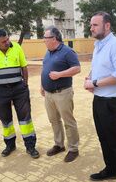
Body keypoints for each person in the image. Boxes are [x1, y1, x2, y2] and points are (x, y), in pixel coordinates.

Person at [84, 12, 116, 181]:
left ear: (107, 25)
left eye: (95, 25)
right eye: (91, 25)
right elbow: (100, 66)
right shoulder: (98, 45)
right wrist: (90, 77)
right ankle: (111, 170)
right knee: (104, 138)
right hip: (99, 100)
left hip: (112, 102)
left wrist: (95, 83)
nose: (91, 28)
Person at [0, 29, 39, 159]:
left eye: (7, 39)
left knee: (25, 118)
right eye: (3, 41)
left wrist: (25, 84)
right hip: (1, 91)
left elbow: (24, 67)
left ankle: (30, 146)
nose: (7, 42)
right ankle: (10, 145)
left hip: (19, 89)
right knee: (5, 119)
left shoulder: (17, 47)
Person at [40, 26, 81, 162]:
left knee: (68, 122)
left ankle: (73, 149)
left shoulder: (67, 52)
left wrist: (60, 75)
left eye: (45, 38)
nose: (43, 41)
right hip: (48, 94)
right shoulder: (48, 52)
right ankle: (59, 145)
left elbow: (77, 68)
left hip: (63, 93)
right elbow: (44, 69)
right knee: (54, 120)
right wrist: (42, 86)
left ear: (54, 38)